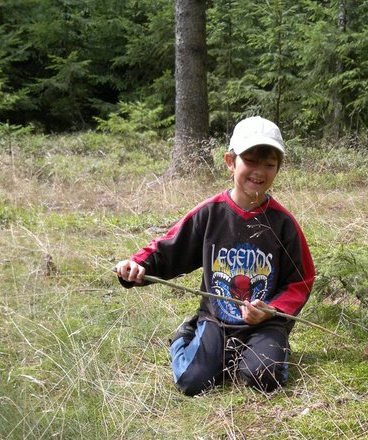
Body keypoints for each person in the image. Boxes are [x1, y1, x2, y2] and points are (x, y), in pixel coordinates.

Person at [114, 116, 315, 396]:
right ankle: (188, 333)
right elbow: (171, 246)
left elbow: (301, 280)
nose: (260, 171)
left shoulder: (283, 224)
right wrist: (137, 265)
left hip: (266, 323)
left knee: (264, 377)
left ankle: (268, 348)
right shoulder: (210, 214)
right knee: (192, 381)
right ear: (230, 162)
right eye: (251, 161)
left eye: (269, 164)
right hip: (216, 319)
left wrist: (274, 310)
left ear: (278, 167)